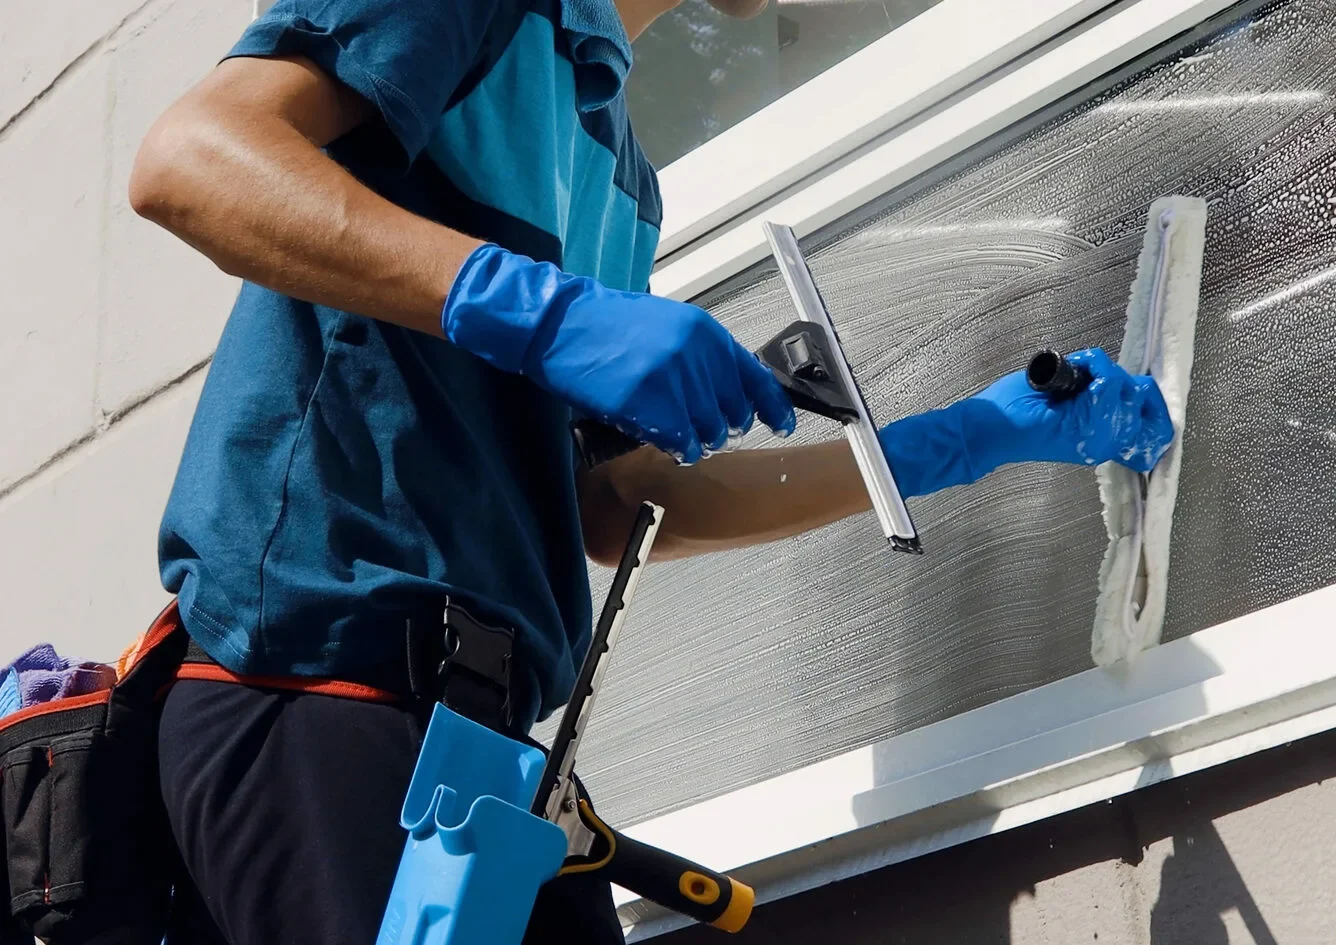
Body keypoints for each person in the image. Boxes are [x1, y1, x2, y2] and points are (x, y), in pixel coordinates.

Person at [127, 0, 1175, 942]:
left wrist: (953, 442)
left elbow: (613, 503)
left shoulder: (622, 174)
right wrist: (552, 316)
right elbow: (191, 161)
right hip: (316, 689)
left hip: (489, 751)